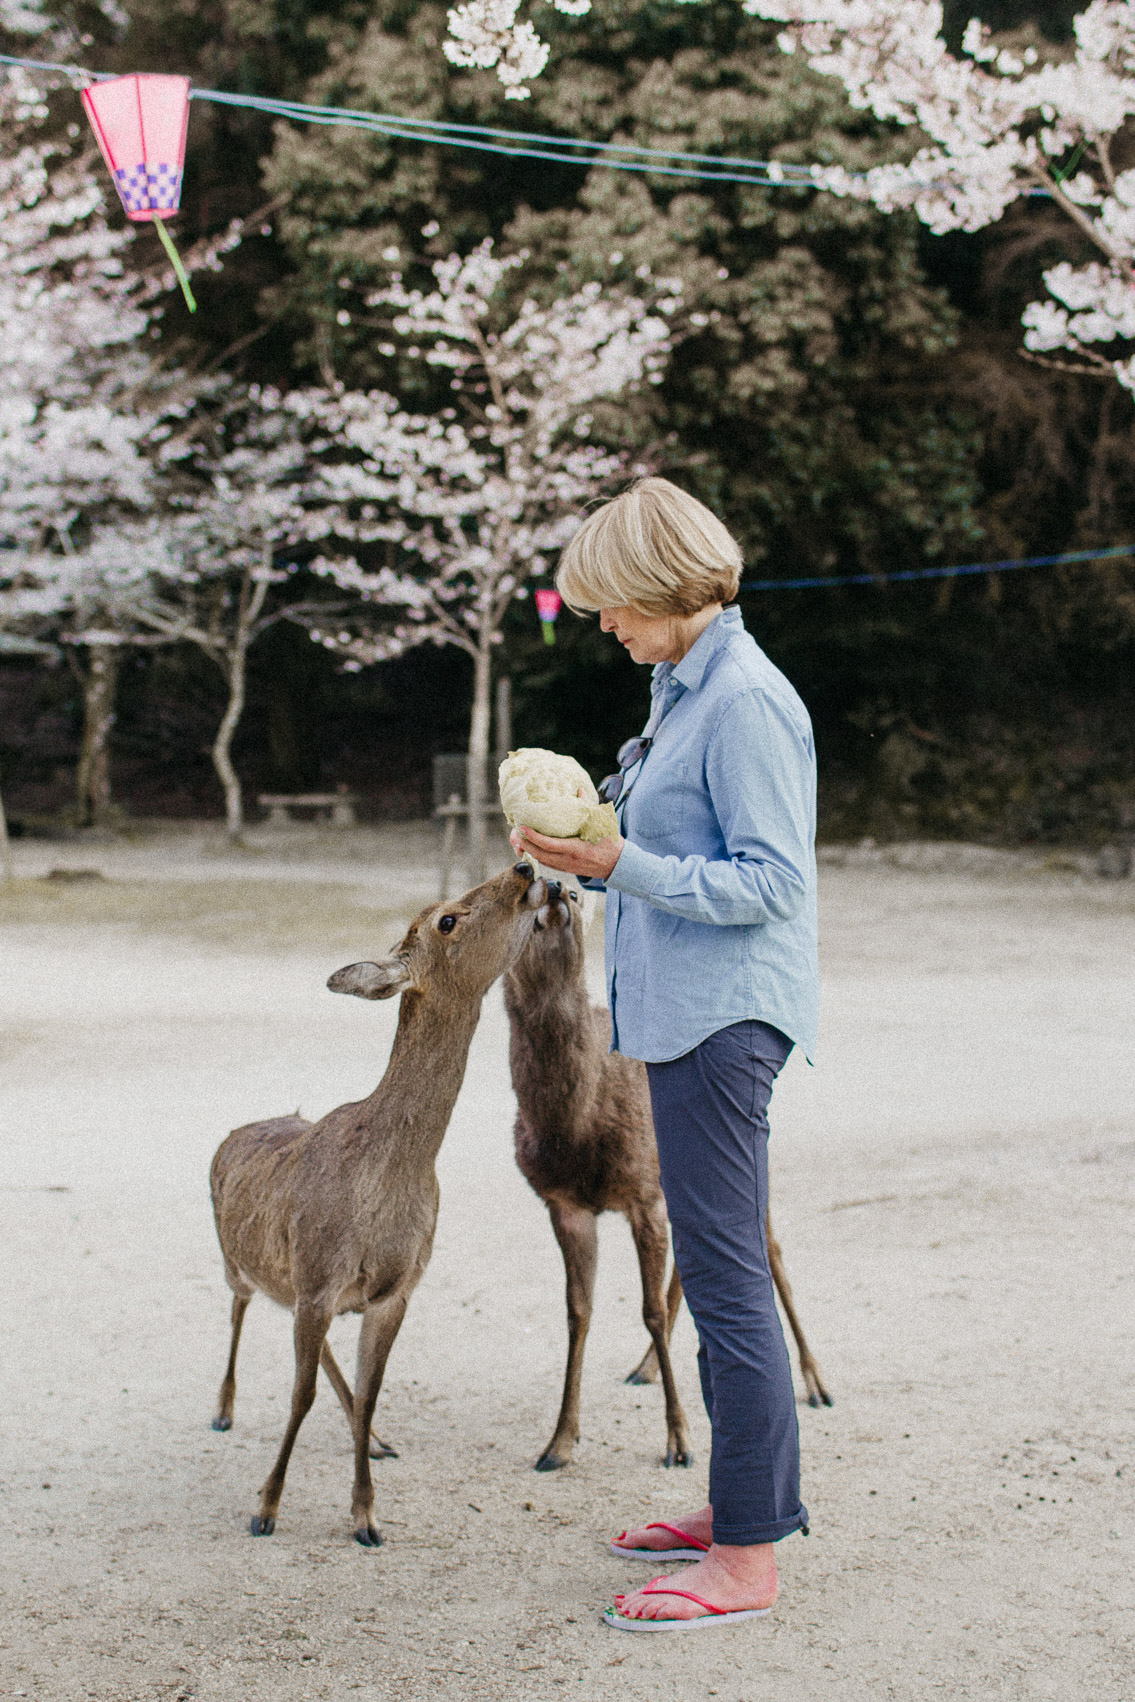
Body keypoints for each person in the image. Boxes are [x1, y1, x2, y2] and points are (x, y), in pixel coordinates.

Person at [510, 477, 818, 1632]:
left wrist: (615, 868)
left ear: (660, 587)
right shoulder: (681, 688)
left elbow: (773, 882)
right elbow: (655, 833)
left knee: (727, 1282)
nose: (600, 624)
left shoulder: (742, 701)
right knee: (721, 1267)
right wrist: (581, 834)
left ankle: (743, 1559)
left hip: (721, 1021)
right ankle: (743, 1504)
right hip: (682, 1013)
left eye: (610, 605)